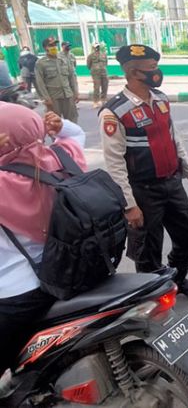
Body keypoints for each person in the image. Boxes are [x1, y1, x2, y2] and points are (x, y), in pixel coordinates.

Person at [99, 44, 188, 299]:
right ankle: (153, 298)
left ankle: (176, 278)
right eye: (152, 69)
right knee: (147, 252)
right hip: (143, 191)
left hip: (171, 183)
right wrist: (129, 205)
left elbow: (174, 138)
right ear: (134, 73)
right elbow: (114, 163)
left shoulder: (160, 99)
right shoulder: (114, 112)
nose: (157, 72)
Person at [0, 102, 86, 374]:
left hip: (21, 292)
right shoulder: (62, 156)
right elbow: (76, 135)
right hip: (75, 270)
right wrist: (61, 126)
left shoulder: (5, 184)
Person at [35, 37, 79, 123]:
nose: (54, 47)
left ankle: (71, 137)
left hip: (68, 95)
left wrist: (75, 92)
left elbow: (71, 77)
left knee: (72, 121)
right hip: (53, 98)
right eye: (51, 45)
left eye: (55, 45)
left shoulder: (64, 60)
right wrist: (46, 98)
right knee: (54, 122)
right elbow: (40, 82)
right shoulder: (41, 63)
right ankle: (57, 137)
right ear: (45, 48)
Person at [87, 42, 109, 108]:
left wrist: (102, 67)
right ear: (93, 48)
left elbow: (106, 63)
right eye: (96, 47)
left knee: (105, 86)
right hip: (95, 73)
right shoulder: (90, 56)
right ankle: (95, 101)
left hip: (104, 72)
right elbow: (88, 65)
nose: (97, 48)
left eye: (98, 47)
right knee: (96, 87)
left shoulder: (104, 55)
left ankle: (103, 100)